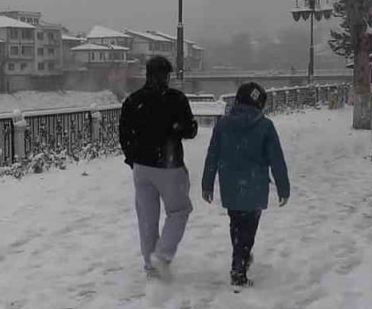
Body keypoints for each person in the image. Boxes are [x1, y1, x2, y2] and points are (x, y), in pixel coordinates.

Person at [201, 83, 290, 288]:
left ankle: (240, 256)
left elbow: (212, 155)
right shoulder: (265, 126)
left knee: (236, 223)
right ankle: (239, 268)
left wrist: (207, 184)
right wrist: (283, 188)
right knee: (249, 227)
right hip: (255, 184)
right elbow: (277, 159)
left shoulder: (223, 125)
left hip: (230, 185)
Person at [118, 56, 198, 280]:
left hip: (141, 168)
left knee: (147, 219)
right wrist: (181, 127)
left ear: (147, 74)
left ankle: (151, 268)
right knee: (179, 211)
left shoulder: (133, 100)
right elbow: (189, 130)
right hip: (169, 166)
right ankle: (162, 255)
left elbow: (124, 134)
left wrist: (132, 159)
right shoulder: (176, 99)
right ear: (167, 76)